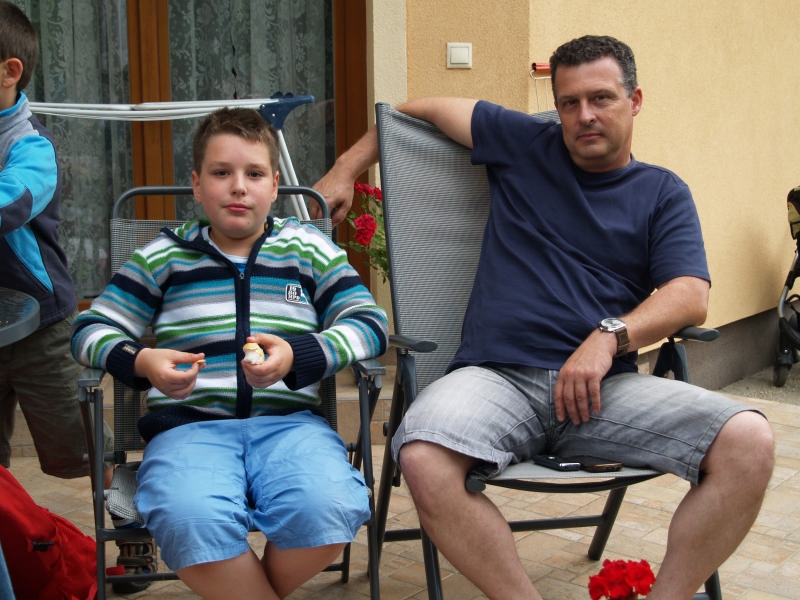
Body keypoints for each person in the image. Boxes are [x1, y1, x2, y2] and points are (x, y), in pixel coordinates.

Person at [314, 35, 774, 599]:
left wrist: (609, 336)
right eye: (569, 103)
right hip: (496, 380)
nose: (584, 115)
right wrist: (345, 169)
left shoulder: (662, 193)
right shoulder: (523, 142)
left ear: (635, 101)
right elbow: (415, 111)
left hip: (605, 392)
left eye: (601, 98)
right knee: (423, 456)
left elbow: (689, 295)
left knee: (750, 441)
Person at [72, 107, 389, 599]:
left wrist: (301, 354)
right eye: (222, 173)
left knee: (328, 506)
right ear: (197, 185)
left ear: (275, 186)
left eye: (254, 174)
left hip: (292, 429)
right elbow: (89, 328)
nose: (239, 187)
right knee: (188, 515)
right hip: (189, 431)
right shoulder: (164, 256)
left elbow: (370, 323)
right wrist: (141, 361)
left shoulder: (308, 250)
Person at [0, 1, 114, 481]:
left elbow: (11, 201)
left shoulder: (31, 145)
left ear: (9, 72)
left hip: (41, 327)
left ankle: (123, 523)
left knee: (84, 450)